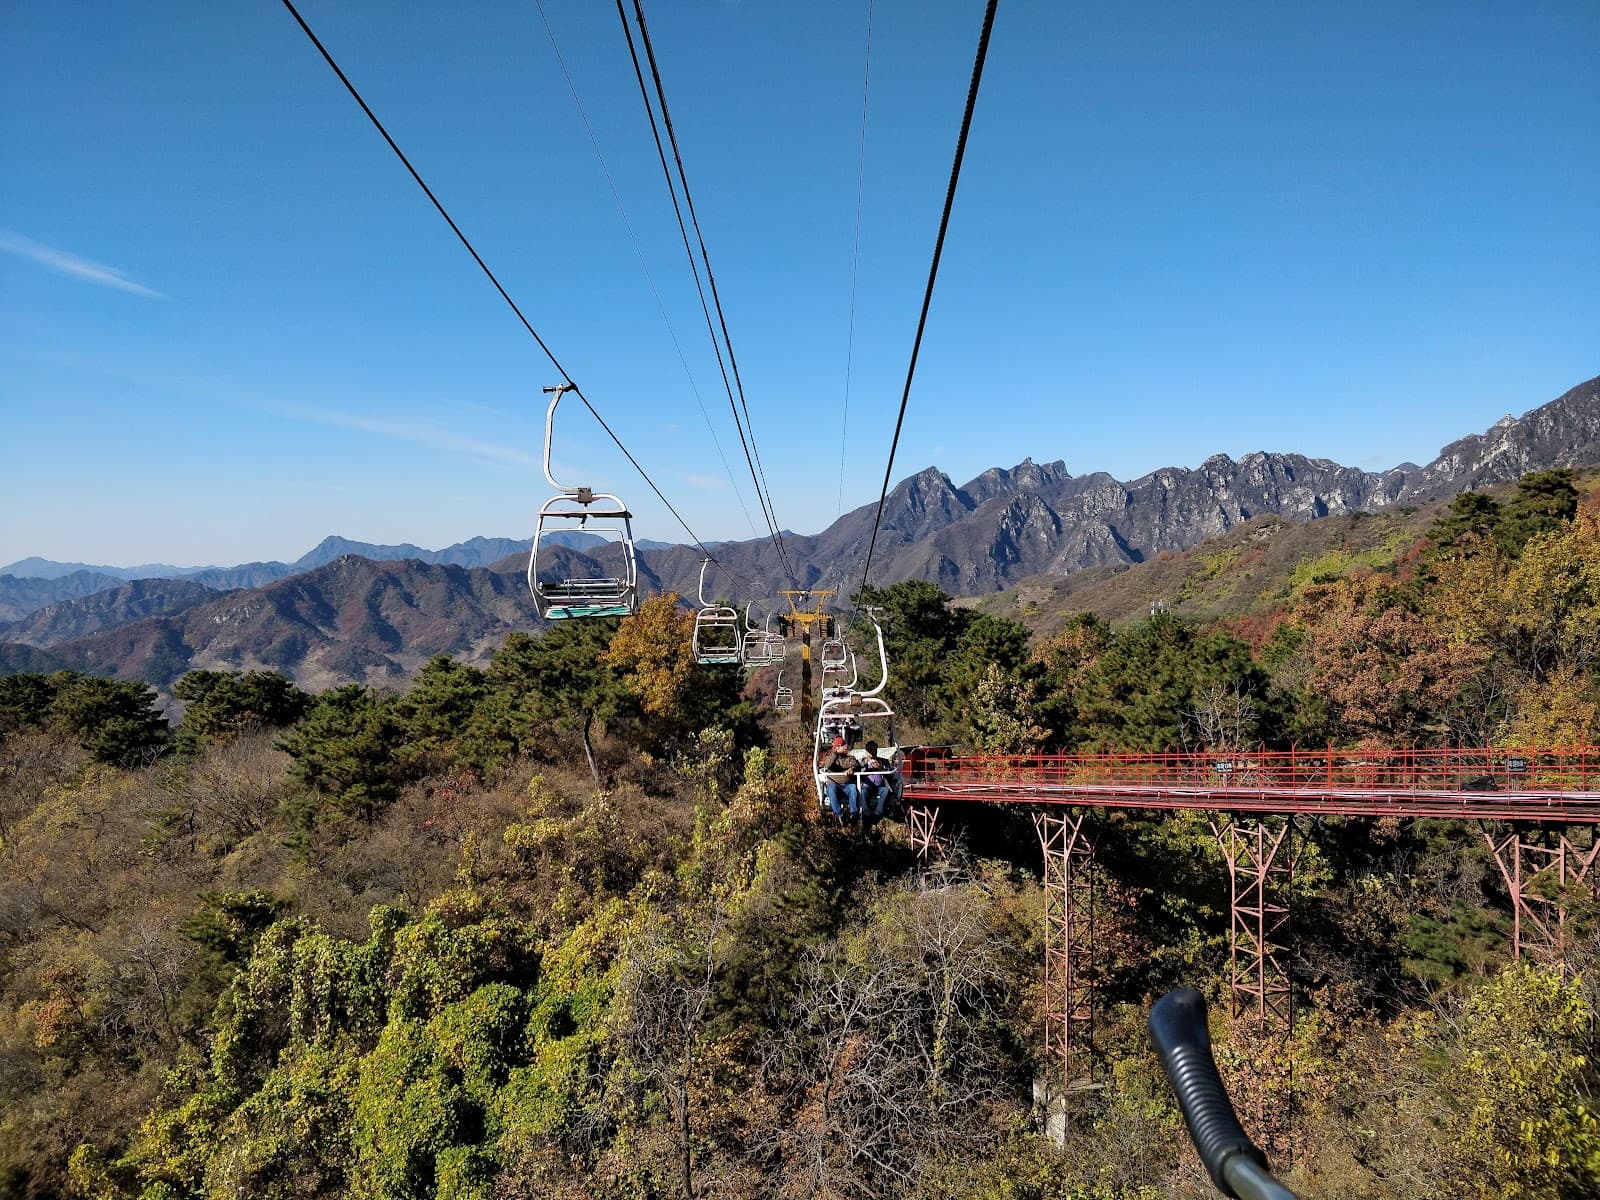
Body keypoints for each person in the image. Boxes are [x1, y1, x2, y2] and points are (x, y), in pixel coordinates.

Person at [821, 736, 860, 821]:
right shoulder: (831, 758)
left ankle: (854, 813)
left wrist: (852, 769)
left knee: (853, 788)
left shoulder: (849, 758)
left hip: (847, 784)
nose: (846, 747)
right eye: (843, 745)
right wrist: (835, 753)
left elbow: (857, 765)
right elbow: (827, 765)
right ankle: (839, 814)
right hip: (834, 784)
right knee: (831, 789)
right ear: (838, 747)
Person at [860, 739, 893, 818]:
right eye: (870, 750)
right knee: (863, 792)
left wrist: (880, 768)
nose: (873, 752)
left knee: (885, 790)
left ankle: (878, 813)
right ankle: (866, 813)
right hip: (867, 786)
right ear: (866, 752)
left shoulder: (883, 761)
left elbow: (890, 774)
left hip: (880, 786)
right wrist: (866, 766)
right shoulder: (862, 762)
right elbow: (858, 772)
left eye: (874, 750)